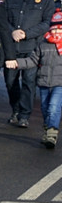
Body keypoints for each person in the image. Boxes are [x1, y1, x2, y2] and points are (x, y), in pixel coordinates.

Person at [4, 0, 55, 128]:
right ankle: (15, 109)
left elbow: (46, 23)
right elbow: (3, 20)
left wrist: (26, 34)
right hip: (12, 47)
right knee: (10, 81)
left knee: (28, 81)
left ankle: (24, 114)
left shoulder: (46, 0)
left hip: (32, 47)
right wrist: (12, 31)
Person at [15, 9, 62, 148]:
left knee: (54, 107)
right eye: (54, 29)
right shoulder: (43, 45)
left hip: (59, 83)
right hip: (44, 82)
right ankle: (48, 129)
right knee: (45, 107)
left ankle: (52, 134)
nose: (56, 32)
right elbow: (33, 61)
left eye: (59, 29)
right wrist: (17, 63)